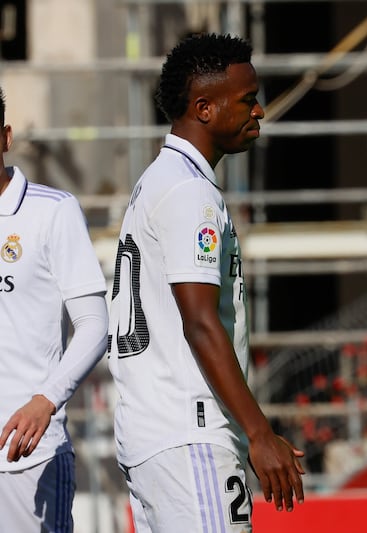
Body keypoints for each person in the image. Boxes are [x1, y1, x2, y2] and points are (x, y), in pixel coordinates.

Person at [107, 33, 304, 532]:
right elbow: (199, 321)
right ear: (204, 108)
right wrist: (259, 432)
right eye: (247, 99)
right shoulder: (187, 192)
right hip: (189, 433)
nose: (258, 110)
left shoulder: (159, 179)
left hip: (158, 435)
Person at [0, 87, 109, 531]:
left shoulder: (52, 211)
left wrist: (46, 400)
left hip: (27, 459)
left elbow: (95, 326)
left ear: (5, 137)